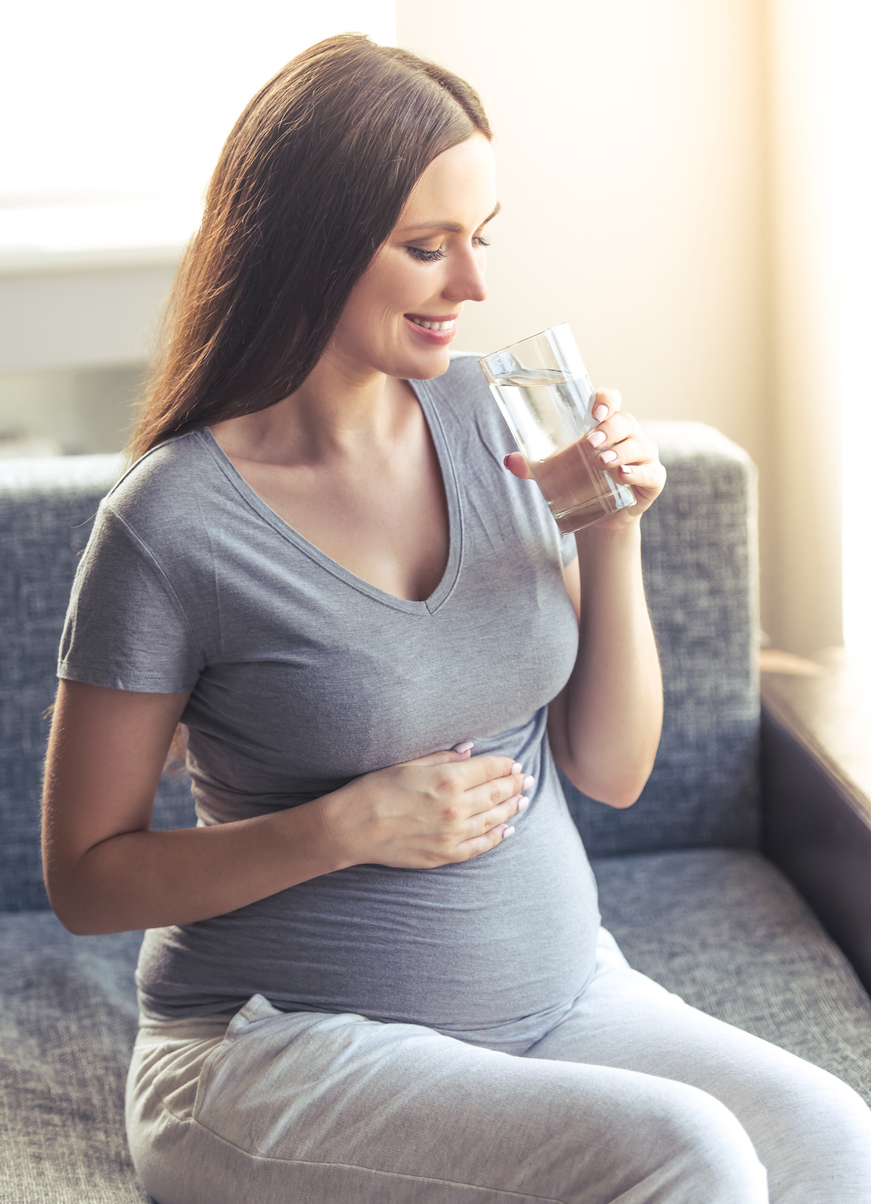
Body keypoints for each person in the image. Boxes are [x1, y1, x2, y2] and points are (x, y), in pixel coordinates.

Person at [42, 34, 871, 1204]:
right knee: (692, 1156)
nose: (473, 286)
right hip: (275, 1048)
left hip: (563, 999)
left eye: (479, 241)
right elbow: (85, 879)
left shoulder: (497, 418)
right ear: (310, 244)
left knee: (835, 1135)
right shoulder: (170, 526)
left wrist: (608, 527)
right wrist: (343, 826)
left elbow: (613, 767)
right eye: (426, 248)